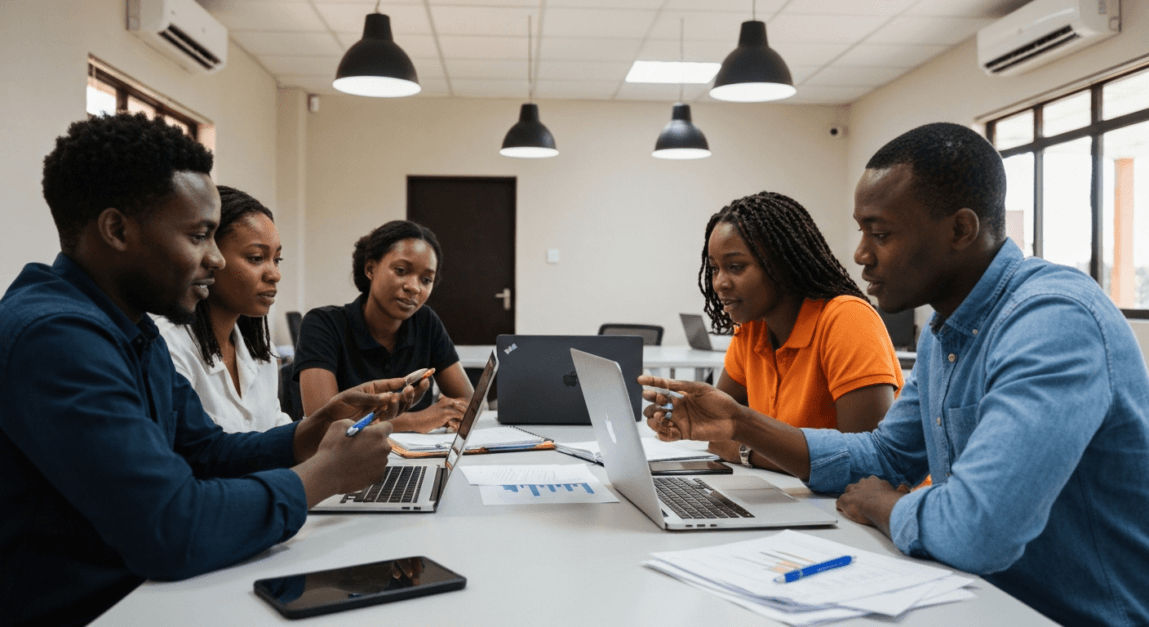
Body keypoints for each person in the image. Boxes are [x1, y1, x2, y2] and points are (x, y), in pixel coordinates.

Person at [641, 122, 1149, 626]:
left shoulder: (1053, 322)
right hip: (972, 596)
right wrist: (739, 424)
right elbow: (886, 453)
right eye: (863, 233)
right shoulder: (944, 332)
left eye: (880, 234)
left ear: (960, 230)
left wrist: (886, 507)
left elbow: (979, 529)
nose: (861, 254)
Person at [0, 113, 428, 627]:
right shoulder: (56, 337)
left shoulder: (131, 328)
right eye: (200, 236)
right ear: (117, 230)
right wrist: (325, 474)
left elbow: (205, 450)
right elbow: (171, 527)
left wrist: (312, 430)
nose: (217, 260)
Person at [698, 191, 903, 471]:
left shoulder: (846, 319)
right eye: (714, 269)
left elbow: (865, 464)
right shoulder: (752, 329)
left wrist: (746, 450)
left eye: (736, 267)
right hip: (798, 496)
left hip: (866, 509)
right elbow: (717, 429)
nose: (720, 282)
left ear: (781, 265)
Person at [294, 220, 473, 432]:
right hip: (345, 461)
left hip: (418, 456)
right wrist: (417, 421)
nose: (414, 287)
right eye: (401, 270)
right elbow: (323, 424)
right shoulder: (323, 324)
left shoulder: (426, 321)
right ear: (370, 269)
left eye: (426, 280)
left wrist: (451, 414)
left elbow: (468, 401)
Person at [156, 186, 290, 432]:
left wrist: (326, 429)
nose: (275, 274)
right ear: (209, 256)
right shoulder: (168, 345)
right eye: (256, 258)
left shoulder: (259, 349)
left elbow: (275, 426)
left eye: (276, 259)